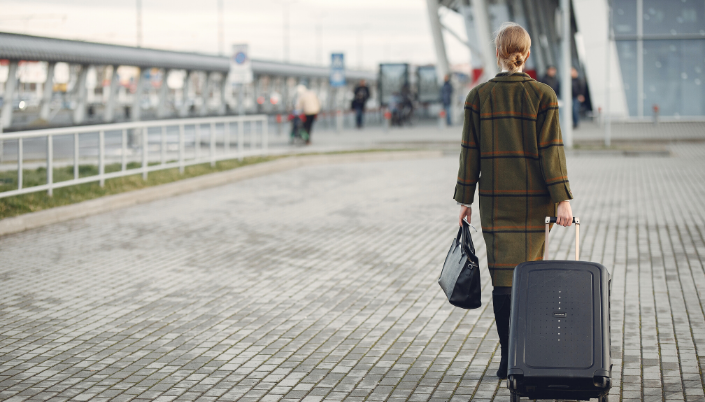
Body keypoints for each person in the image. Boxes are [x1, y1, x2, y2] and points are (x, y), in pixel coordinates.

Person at [454, 22, 574, 380]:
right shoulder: (544, 95)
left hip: (495, 202)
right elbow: (552, 153)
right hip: (535, 202)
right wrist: (563, 200)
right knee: (529, 278)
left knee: (503, 281)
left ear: (498, 53)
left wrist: (465, 199)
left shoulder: (478, 96)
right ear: (527, 52)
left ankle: (508, 358)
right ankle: (526, 356)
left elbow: (468, 153)